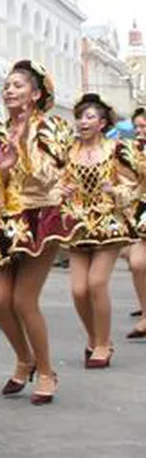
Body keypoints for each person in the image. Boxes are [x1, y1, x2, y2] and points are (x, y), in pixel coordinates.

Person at [0, 59, 74, 405]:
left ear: (36, 94)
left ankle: (47, 370)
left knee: (24, 300)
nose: (9, 90)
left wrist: (20, 146)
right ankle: (24, 359)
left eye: (18, 85)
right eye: (7, 85)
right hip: (5, 220)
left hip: (41, 217)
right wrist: (1, 170)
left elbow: (48, 175)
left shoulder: (51, 128)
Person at [59, 93, 137, 368]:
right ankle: (94, 338)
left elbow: (134, 185)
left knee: (96, 283)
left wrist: (114, 190)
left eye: (90, 117)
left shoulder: (115, 150)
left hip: (108, 223)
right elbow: (56, 183)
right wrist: (62, 190)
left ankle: (103, 344)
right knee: (79, 290)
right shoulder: (68, 151)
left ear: (102, 123)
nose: (83, 121)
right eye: (80, 117)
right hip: (78, 224)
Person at [127, 107, 146, 337]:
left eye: (144, 126)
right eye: (137, 127)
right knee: (138, 263)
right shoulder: (131, 151)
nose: (140, 131)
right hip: (140, 210)